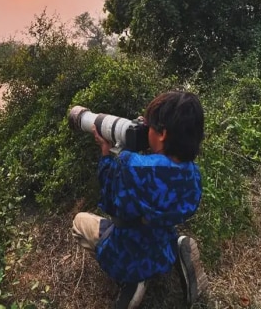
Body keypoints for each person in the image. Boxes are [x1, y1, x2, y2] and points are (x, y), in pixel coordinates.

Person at [71, 91, 208, 309]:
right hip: (160, 248)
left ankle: (132, 281)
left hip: (126, 253)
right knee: (152, 221)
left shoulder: (131, 166)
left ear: (162, 133)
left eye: (150, 126)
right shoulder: (194, 174)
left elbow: (109, 202)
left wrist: (107, 153)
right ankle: (176, 248)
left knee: (79, 221)